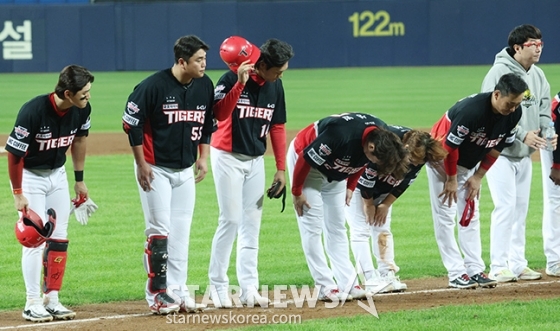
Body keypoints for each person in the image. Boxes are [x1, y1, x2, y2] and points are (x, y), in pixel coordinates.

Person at [121, 35, 214, 315]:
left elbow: (208, 122)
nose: (204, 65)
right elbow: (131, 125)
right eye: (199, 60)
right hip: (155, 168)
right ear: (182, 61)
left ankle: (178, 290)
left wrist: (204, 156)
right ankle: (157, 294)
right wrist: (141, 164)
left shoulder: (204, 85)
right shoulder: (152, 86)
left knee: (181, 234)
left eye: (205, 59)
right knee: (159, 232)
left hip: (185, 169)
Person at [208, 36, 294, 308]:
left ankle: (249, 289)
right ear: (263, 64)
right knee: (231, 220)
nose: (281, 75)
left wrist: (280, 168)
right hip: (227, 156)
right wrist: (240, 84)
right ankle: (218, 286)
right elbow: (220, 114)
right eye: (278, 70)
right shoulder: (229, 79)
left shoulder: (275, 85)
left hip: (256, 161)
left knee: (251, 227)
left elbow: (277, 127)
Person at [287, 112, 409, 301]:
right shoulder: (340, 134)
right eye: (377, 160)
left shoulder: (380, 137)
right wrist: (296, 192)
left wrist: (351, 186)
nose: (376, 165)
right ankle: (325, 286)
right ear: (371, 146)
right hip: (306, 165)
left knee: (337, 228)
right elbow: (306, 158)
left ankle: (349, 283)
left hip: (337, 171)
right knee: (312, 228)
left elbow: (362, 160)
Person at [6, 65, 95, 322]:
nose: (88, 97)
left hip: (58, 175)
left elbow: (79, 140)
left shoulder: (82, 110)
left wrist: (79, 181)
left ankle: (52, 298)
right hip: (31, 177)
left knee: (59, 238)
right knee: (35, 239)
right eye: (84, 93)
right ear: (68, 93)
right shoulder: (33, 111)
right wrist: (18, 192)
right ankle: (32, 301)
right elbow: (14, 154)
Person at [427, 73, 527, 289]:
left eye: (517, 104)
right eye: (510, 103)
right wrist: (451, 179)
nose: (513, 108)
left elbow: (497, 146)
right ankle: (456, 272)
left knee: (470, 215)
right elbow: (449, 148)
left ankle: (475, 269)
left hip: (470, 162)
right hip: (441, 161)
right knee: (445, 216)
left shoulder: (513, 113)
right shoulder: (471, 112)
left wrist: (478, 177)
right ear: (497, 94)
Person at [481, 24, 554, 283]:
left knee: (520, 208)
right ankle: (498, 265)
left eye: (540, 44)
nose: (538, 48)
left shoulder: (538, 75)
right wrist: (522, 133)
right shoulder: (498, 72)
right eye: (533, 44)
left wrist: (547, 130)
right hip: (498, 152)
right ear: (517, 47)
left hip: (524, 155)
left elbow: (544, 108)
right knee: (505, 207)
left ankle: (518, 263)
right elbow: (489, 112)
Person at [345, 127, 447, 293]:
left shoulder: (420, 152)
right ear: (406, 148)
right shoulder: (387, 144)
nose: (414, 164)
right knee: (360, 230)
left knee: (382, 227)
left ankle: (387, 274)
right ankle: (370, 279)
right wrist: (369, 204)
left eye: (418, 163)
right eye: (412, 159)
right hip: (356, 185)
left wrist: (386, 204)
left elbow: (405, 182)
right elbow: (366, 176)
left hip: (383, 188)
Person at [541, 92, 560, 277]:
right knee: (555, 198)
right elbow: (556, 126)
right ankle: (554, 261)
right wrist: (556, 165)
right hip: (553, 139)